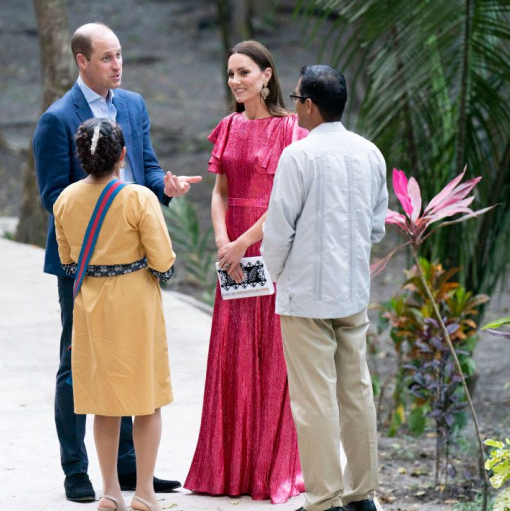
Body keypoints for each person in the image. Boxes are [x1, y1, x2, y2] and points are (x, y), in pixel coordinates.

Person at [33, 22, 200, 502]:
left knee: (130, 360)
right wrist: (103, 225)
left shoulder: (133, 106)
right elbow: (52, 197)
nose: (117, 64)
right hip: (82, 263)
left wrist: (162, 189)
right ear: (82, 61)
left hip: (134, 255)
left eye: (120, 55)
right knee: (78, 362)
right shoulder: (57, 120)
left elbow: (145, 170)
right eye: (107, 57)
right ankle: (76, 470)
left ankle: (129, 471)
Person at [261, 65, 388, 511]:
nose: (294, 106)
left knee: (314, 399)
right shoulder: (371, 153)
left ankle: (324, 500)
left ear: (309, 105)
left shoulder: (299, 156)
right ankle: (362, 495)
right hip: (352, 291)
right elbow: (376, 230)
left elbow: (278, 232)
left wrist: (278, 277)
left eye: (296, 99)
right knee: (356, 391)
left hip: (306, 296)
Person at [184, 40, 306, 504]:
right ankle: (226, 469)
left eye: (244, 73)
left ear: (267, 76)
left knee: (270, 353)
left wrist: (242, 242)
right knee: (233, 351)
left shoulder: (290, 130)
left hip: (267, 250)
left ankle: (267, 469)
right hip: (231, 254)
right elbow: (220, 191)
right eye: (231, 73)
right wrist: (222, 241)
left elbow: (283, 201)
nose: (235, 81)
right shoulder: (230, 126)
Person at [54, 118, 175, 511]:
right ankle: (143, 492)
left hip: (92, 308)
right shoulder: (139, 199)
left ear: (80, 156)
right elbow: (163, 259)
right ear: (123, 155)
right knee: (146, 402)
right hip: (136, 304)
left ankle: (108, 491)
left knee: (103, 404)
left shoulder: (65, 200)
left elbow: (68, 259)